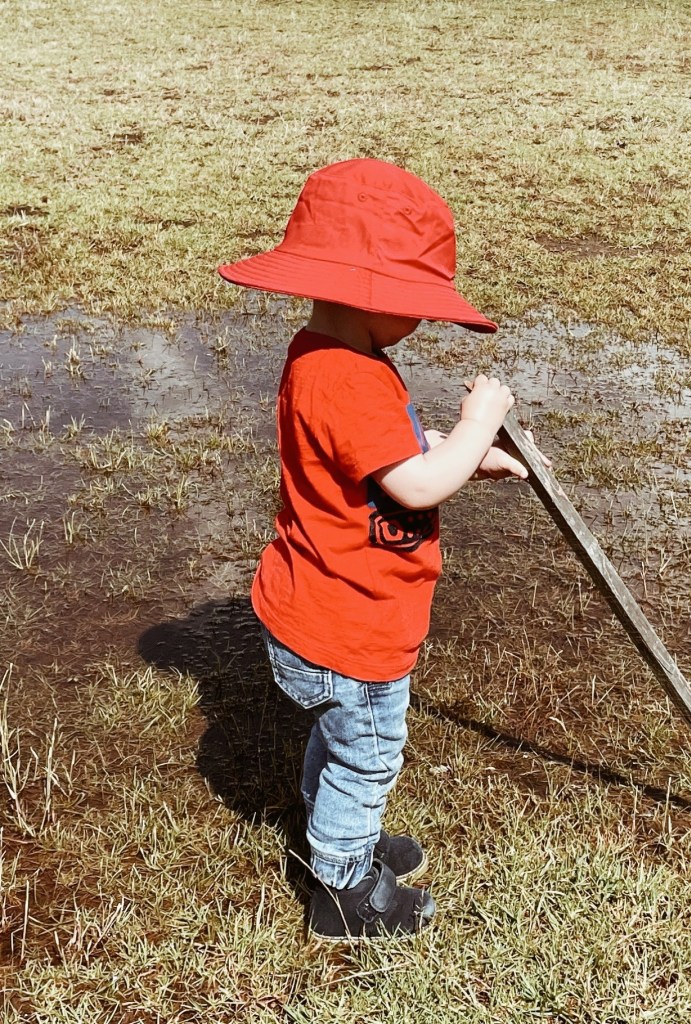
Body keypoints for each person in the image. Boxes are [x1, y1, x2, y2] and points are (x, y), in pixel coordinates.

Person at [218, 159, 542, 942]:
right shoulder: (351, 379)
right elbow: (420, 485)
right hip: (350, 626)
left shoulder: (324, 356)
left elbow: (386, 456)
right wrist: (476, 424)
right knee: (366, 752)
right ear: (373, 295)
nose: (423, 323)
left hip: (315, 608)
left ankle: (339, 836)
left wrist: (465, 453)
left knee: (341, 739)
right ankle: (341, 890)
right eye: (415, 307)